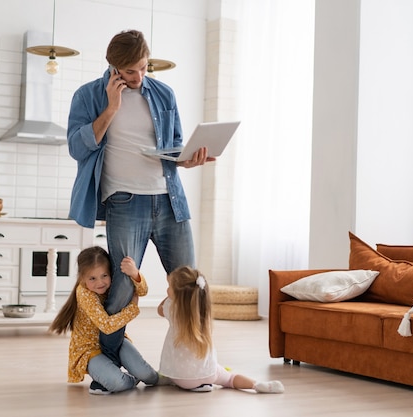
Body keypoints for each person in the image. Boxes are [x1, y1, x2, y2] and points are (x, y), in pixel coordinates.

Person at [67, 29, 211, 366]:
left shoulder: (163, 94)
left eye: (144, 68)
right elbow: (77, 147)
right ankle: (109, 363)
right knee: (121, 289)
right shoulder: (89, 95)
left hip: (169, 200)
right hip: (125, 202)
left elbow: (175, 147)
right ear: (114, 67)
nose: (139, 77)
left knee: (192, 284)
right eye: (130, 71)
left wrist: (190, 159)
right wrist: (111, 108)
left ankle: (196, 363)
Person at [48, 246, 158, 395]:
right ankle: (130, 379)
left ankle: (163, 377)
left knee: (149, 376)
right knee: (117, 383)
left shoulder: (112, 284)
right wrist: (132, 309)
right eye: (92, 278)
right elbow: (106, 326)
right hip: (89, 349)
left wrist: (135, 274)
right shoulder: (84, 292)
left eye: (104, 275)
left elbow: (142, 291)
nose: (100, 282)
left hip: (116, 339)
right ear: (82, 278)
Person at [157, 266, 285, 394]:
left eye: (169, 287)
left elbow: (159, 310)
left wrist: (170, 296)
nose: (167, 289)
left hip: (181, 379)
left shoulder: (171, 309)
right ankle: (257, 385)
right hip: (209, 373)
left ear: (177, 294)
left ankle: (179, 381)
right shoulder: (204, 313)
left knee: (169, 371)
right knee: (230, 378)